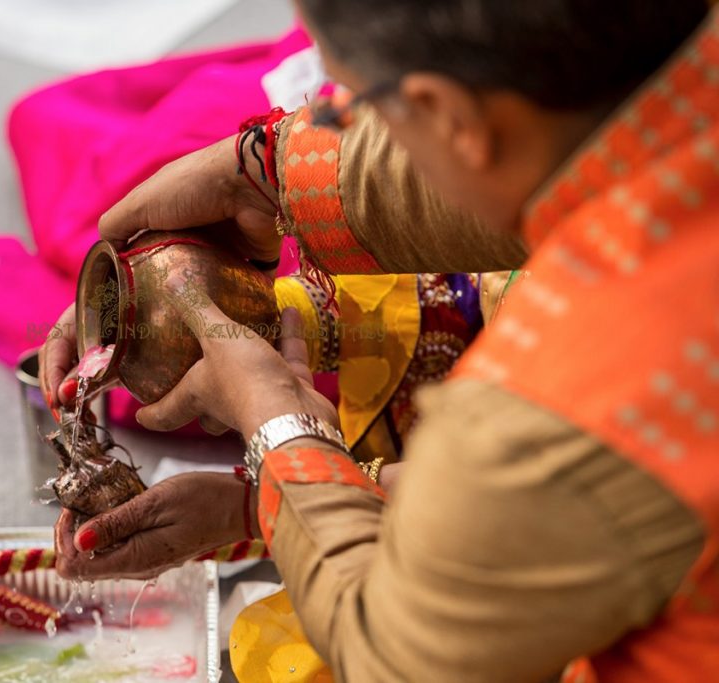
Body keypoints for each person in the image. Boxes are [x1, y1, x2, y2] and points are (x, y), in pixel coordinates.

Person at [47, 0, 719, 680]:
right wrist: (259, 172)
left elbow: (396, 657)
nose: (335, 117)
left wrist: (278, 427)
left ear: (449, 115)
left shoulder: (564, 395)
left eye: (349, 100)